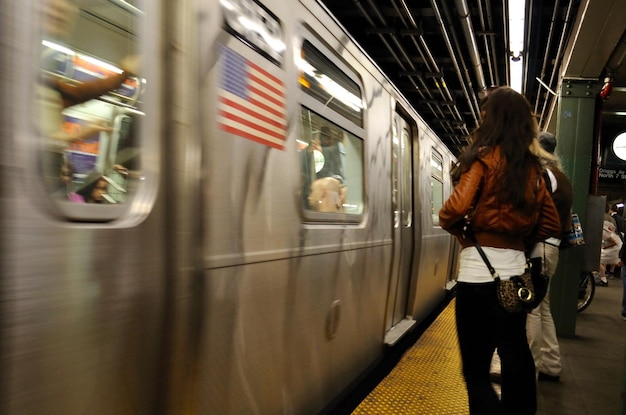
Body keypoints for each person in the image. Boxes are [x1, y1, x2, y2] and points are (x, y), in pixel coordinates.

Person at [439, 87, 561, 415]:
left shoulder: (483, 157)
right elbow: (551, 224)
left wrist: (461, 230)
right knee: (515, 353)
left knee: (476, 372)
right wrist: (519, 239)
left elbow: (455, 208)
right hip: (515, 277)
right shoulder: (533, 169)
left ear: (491, 119)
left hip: (478, 277)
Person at [526, 132, 574, 383]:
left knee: (531, 309)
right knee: (543, 308)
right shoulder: (562, 177)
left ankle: (529, 368)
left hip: (540, 247)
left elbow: (532, 212)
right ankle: (551, 364)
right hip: (551, 248)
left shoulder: (544, 176)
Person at [598, 220, 622, 286]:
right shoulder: (606, 230)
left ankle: (603, 280)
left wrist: (605, 247)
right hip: (617, 247)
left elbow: (614, 242)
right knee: (601, 261)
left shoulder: (604, 232)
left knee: (598, 260)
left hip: (615, 248)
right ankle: (603, 278)